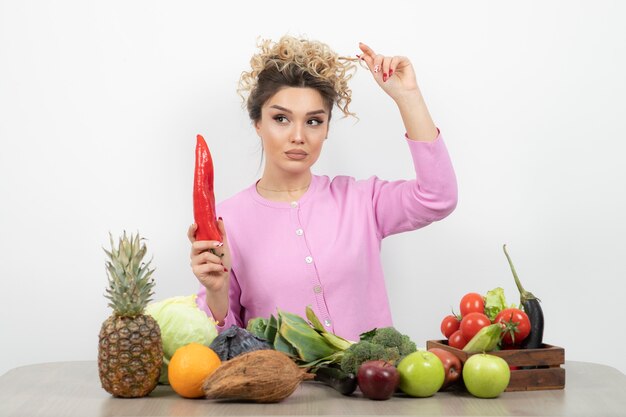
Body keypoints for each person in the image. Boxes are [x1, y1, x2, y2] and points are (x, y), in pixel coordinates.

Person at [188, 36, 457, 342]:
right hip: (286, 388)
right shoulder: (227, 219)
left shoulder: (361, 201)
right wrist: (217, 291)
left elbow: (438, 197)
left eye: (314, 121)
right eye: (281, 119)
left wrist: (408, 97)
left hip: (373, 385)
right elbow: (226, 339)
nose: (298, 136)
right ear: (257, 124)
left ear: (327, 128)